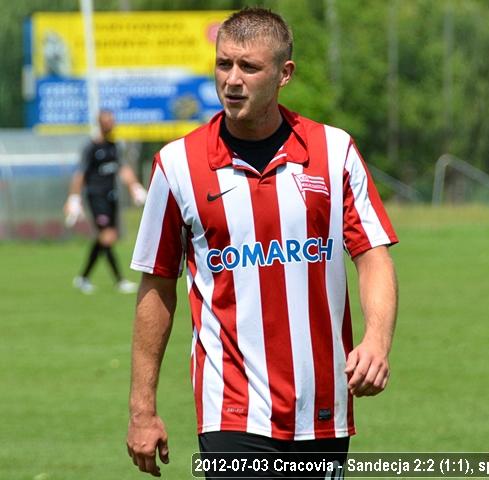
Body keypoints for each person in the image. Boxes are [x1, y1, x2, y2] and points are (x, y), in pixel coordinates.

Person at [126, 7, 399, 479]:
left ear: (283, 74)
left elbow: (372, 254)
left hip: (321, 408)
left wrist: (376, 340)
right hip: (230, 406)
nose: (232, 80)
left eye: (249, 67)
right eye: (223, 64)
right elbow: (158, 285)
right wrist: (141, 408)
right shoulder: (178, 166)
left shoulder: (334, 153)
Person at [64, 110, 147, 294]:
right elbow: (80, 174)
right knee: (107, 236)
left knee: (106, 238)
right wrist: (74, 198)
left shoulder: (113, 146)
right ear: (100, 123)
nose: (112, 124)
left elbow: (123, 169)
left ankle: (83, 278)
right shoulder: (91, 148)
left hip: (111, 197)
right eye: (109, 121)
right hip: (96, 197)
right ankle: (119, 280)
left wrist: (135, 187)